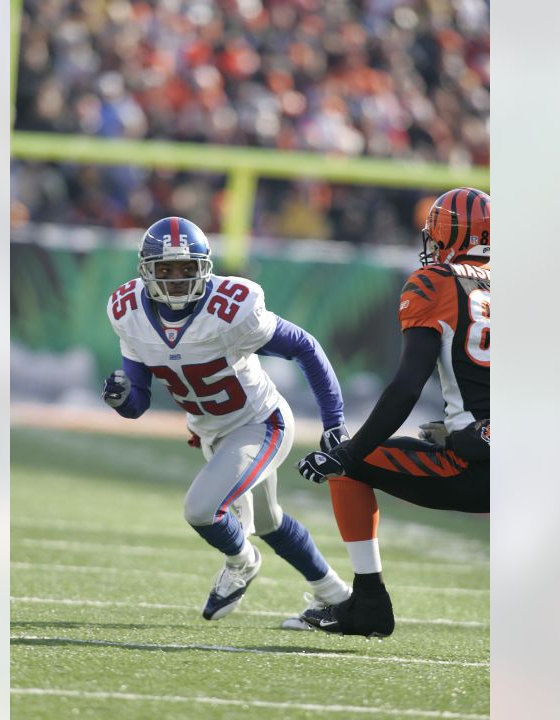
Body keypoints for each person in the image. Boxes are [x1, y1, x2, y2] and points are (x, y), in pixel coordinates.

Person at [102, 216, 353, 628]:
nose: (178, 279)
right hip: (212, 431)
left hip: (261, 423)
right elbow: (139, 403)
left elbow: (305, 347)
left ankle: (242, 560)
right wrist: (121, 398)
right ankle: (337, 596)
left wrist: (334, 422)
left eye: (187, 268)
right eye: (166, 269)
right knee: (271, 522)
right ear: (147, 270)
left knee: (201, 509)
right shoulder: (129, 312)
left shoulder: (232, 308)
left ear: (206, 267)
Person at [296, 187, 492, 637]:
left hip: (476, 467)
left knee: (350, 465)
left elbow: (407, 386)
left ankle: (368, 603)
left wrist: (348, 452)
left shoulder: (437, 281)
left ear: (448, 233)